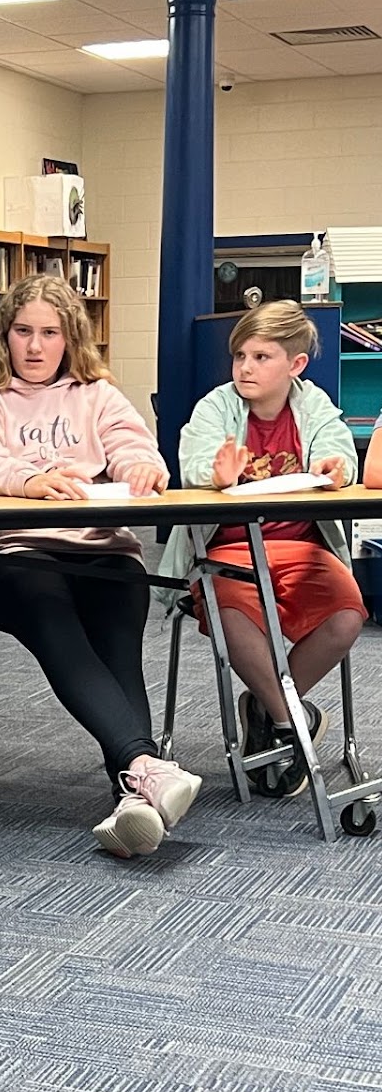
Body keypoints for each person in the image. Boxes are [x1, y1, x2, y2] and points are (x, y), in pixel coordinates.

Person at [0, 273, 201, 859]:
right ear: (3, 337)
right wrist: (32, 480)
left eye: (50, 333)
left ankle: (135, 797)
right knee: (53, 615)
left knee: (118, 643)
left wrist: (142, 467)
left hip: (102, 549)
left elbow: (135, 446)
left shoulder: (99, 394)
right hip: (16, 553)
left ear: (70, 338)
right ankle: (144, 765)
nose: (35, 347)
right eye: (23, 332)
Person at [160, 299, 363, 797]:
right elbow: (194, 463)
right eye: (240, 356)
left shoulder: (315, 407)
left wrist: (339, 470)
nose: (246, 368)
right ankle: (291, 723)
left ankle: (264, 708)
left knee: (346, 617)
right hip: (229, 550)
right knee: (231, 611)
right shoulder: (216, 407)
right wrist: (215, 474)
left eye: (262, 357)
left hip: (302, 547)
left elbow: (339, 458)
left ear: (295, 365)